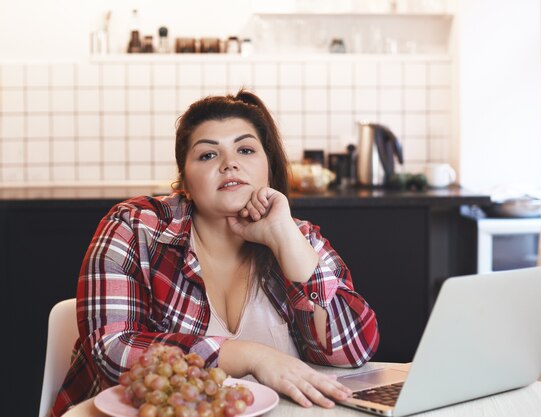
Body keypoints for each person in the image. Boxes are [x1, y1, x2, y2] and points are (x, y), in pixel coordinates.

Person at [49, 90, 379, 416]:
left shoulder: (298, 235)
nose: (230, 163)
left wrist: (284, 239)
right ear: (185, 183)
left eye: (246, 150)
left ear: (269, 167)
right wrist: (251, 356)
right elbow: (112, 351)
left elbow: (352, 351)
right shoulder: (135, 227)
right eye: (208, 155)